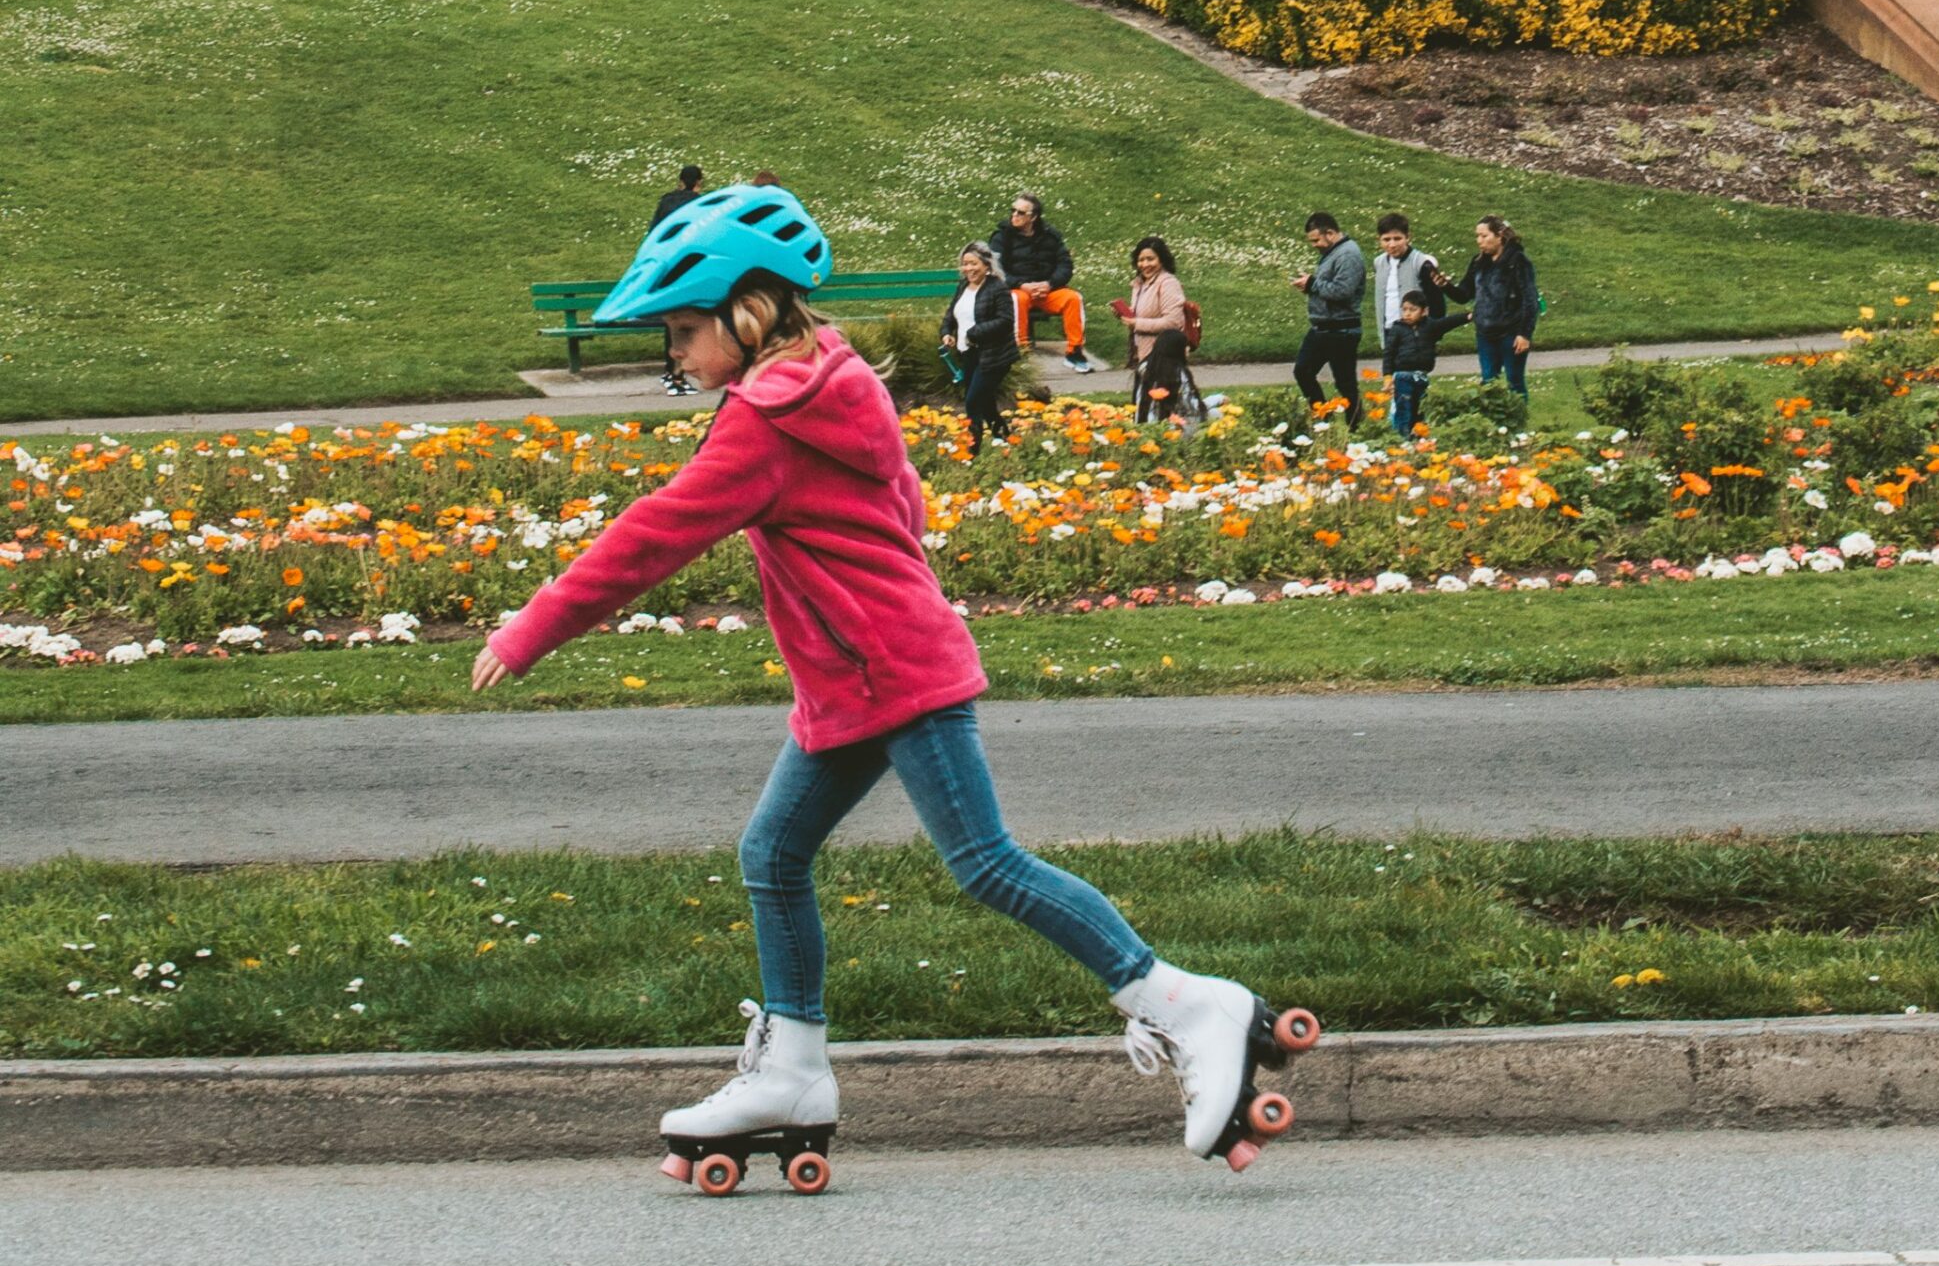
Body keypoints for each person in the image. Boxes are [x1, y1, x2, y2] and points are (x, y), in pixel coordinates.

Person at [471, 184, 1317, 1184]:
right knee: (773, 854)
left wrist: (532, 629)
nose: (675, 352)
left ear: (745, 316)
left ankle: (1184, 1002)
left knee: (985, 865)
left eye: (684, 329)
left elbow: (650, 535)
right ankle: (792, 1067)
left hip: (892, 673)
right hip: (861, 673)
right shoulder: (836, 378)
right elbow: (903, 498)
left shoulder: (762, 423)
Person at [1434, 216, 1540, 400]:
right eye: (1477, 236)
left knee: (1514, 382)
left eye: (1484, 236)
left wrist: (1525, 334)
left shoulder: (1517, 261)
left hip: (1511, 332)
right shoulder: (1478, 262)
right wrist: (1445, 286)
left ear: (1500, 236)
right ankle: (1493, 424)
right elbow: (1464, 295)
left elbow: (1530, 300)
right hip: (1485, 332)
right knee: (1488, 382)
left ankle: (1518, 424)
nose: (1479, 241)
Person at [988, 194, 1096, 373]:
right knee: (1016, 300)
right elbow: (996, 269)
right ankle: (1020, 352)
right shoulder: (1001, 237)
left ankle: (1074, 353)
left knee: (1073, 298)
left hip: (1047, 290)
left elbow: (1065, 265)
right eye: (1013, 210)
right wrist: (1021, 284)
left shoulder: (1050, 236)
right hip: (1018, 289)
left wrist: (1049, 284)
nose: (1014, 215)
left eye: (1021, 212)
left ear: (1033, 217)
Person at [1110, 236, 1199, 426]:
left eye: (1150, 259)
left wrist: (1136, 323)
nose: (1145, 264)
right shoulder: (1139, 284)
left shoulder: (1168, 283)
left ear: (1162, 260)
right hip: (1144, 358)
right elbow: (1142, 314)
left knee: (1160, 412)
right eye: (1141, 260)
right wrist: (1124, 315)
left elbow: (1173, 322)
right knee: (1141, 407)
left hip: (1163, 358)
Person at [940, 241, 1017, 458]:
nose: (968, 269)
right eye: (965, 264)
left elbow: (1005, 320)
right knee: (985, 401)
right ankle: (1004, 437)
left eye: (973, 264)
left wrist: (975, 332)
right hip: (969, 353)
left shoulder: (997, 288)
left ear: (986, 265)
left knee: (973, 400)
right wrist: (947, 332)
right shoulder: (963, 286)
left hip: (995, 355)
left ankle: (972, 450)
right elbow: (951, 314)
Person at [1290, 212, 1366, 412]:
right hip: (1322, 328)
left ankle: (1355, 427)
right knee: (1303, 371)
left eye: (1316, 240)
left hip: (1341, 330)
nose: (1314, 245)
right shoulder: (1333, 253)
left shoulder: (1348, 254)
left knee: (1345, 384)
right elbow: (1328, 286)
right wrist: (1310, 285)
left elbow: (1343, 291)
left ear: (1330, 233)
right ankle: (1322, 417)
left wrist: (1312, 283)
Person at [649, 166, 707, 393]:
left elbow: (654, 235)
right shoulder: (700, 205)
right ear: (699, 182)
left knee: (673, 322)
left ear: (680, 181)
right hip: (689, 270)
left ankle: (673, 373)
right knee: (686, 323)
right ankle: (676, 376)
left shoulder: (666, 203)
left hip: (667, 269)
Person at [1381, 289, 1470, 437]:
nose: (1407, 314)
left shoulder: (1429, 326)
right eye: (1404, 310)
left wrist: (1467, 316)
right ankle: (1401, 438)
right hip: (1403, 376)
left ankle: (1418, 437)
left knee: (1420, 408)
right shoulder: (1397, 329)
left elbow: (1447, 323)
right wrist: (1388, 377)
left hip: (1421, 376)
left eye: (1413, 310)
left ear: (1424, 311)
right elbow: (1388, 354)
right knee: (1403, 408)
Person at [1372, 214, 1441, 349]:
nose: (1392, 244)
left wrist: (1433, 332)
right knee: (1390, 369)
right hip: (1388, 329)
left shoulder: (1421, 263)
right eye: (1386, 239)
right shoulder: (1378, 262)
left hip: (1414, 332)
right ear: (1379, 239)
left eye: (1397, 239)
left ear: (1408, 237)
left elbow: (1436, 300)